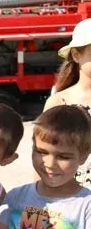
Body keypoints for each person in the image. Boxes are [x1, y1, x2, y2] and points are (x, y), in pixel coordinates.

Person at [0, 105, 91, 229]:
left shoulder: (86, 207)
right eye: (41, 152)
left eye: (63, 156)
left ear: (84, 155)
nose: (50, 163)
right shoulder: (15, 197)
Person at [43, 18, 91, 188]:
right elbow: (42, 159)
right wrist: (39, 211)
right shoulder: (58, 102)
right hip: (67, 203)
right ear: (76, 56)